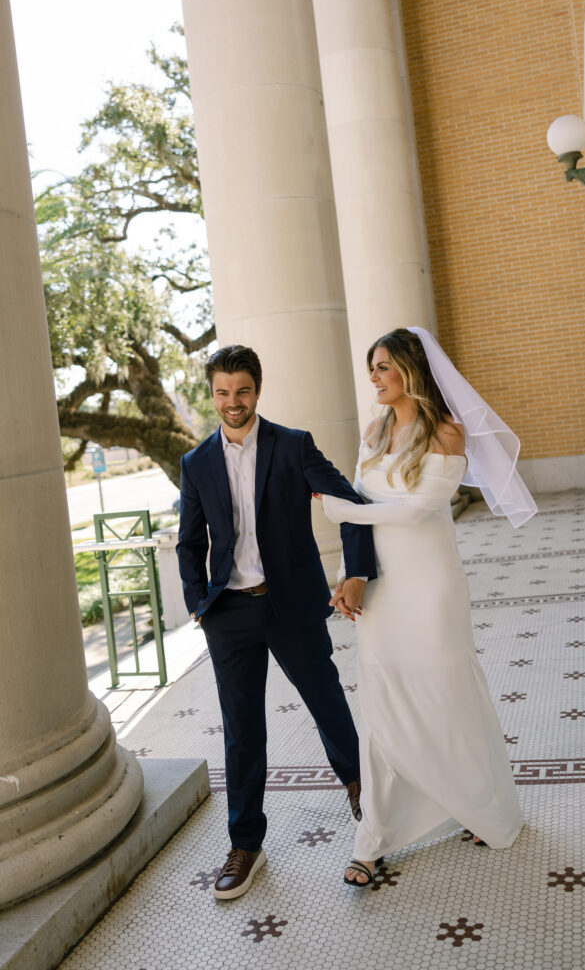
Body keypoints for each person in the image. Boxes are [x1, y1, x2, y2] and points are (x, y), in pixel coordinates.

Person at [318, 327, 537, 886]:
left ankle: (482, 808)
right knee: (385, 706)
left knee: (448, 694)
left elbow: (417, 512)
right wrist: (349, 575)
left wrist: (344, 512)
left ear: (411, 370)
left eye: (383, 367)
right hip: (383, 590)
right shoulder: (372, 431)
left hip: (431, 586)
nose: (374, 377)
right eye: (371, 368)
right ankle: (373, 839)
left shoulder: (447, 433)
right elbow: (367, 514)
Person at [176, 345, 377, 900]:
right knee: (241, 731)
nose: (232, 402)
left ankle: (366, 800)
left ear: (257, 391)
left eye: (241, 391)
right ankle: (246, 844)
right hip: (229, 615)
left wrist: (356, 571)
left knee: (327, 702)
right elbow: (189, 542)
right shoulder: (196, 464)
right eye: (222, 392)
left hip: (291, 605)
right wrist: (199, 602)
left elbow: (348, 502)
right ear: (211, 394)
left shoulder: (292, 446)